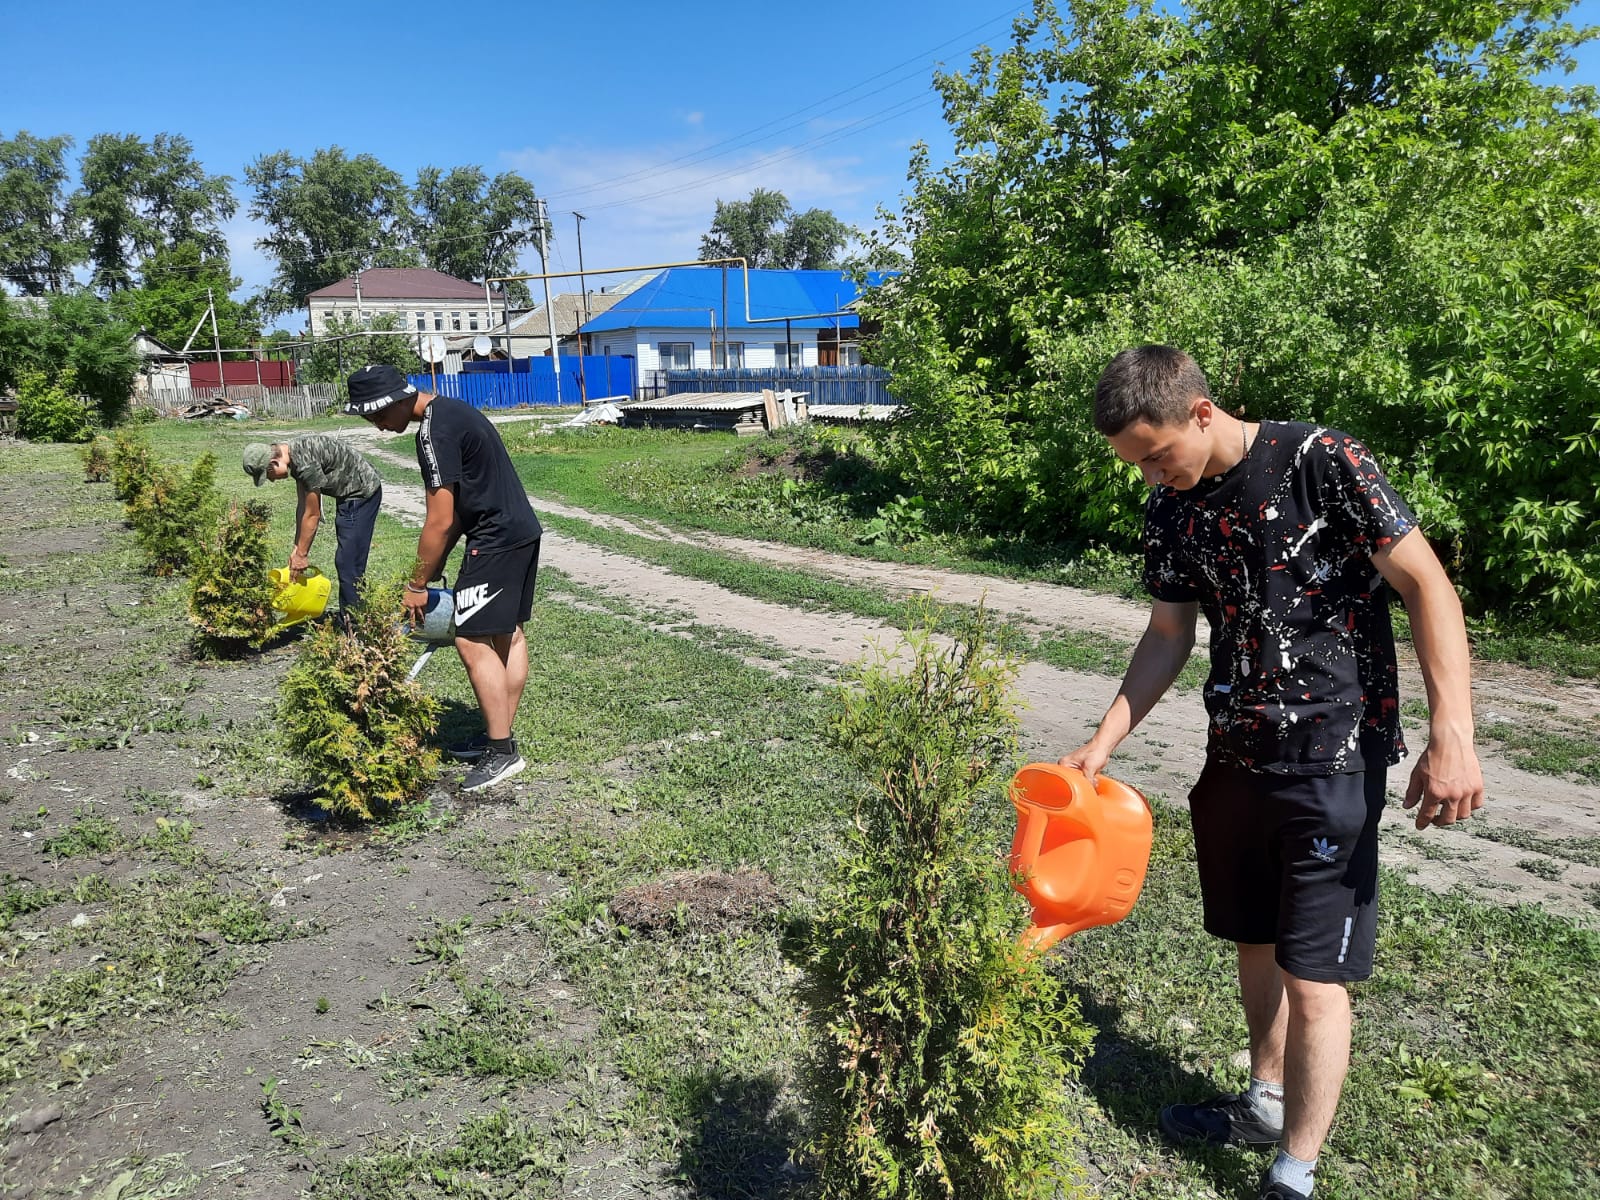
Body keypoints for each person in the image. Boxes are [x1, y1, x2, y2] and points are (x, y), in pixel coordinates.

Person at [1060, 346, 1484, 1200]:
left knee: (1314, 972)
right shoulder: (1172, 511)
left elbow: (1427, 586)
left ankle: (1294, 1174)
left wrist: (1455, 735)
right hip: (1235, 756)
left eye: (1155, 454)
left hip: (1333, 755)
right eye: (1133, 464)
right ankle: (1263, 1099)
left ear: (1202, 413)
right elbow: (1169, 635)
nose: (1149, 476)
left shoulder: (1321, 460)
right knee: (1254, 940)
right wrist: (1103, 740)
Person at [343, 363, 543, 793]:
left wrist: (416, 585)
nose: (378, 427)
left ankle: (503, 752)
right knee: (509, 634)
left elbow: (440, 519)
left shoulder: (433, 432)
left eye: (377, 417)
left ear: (395, 401)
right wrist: (432, 569)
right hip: (520, 531)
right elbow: (453, 519)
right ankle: (499, 734)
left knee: (471, 638)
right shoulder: (451, 411)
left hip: (492, 540)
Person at [242, 435, 382, 621]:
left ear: (274, 462)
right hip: (348, 495)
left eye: (268, 475)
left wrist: (302, 555)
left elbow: (313, 514)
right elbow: (303, 508)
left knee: (349, 562)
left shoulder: (304, 464)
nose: (272, 480)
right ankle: (353, 617)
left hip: (361, 494)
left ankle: (354, 625)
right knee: (347, 560)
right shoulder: (295, 455)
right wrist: (296, 549)